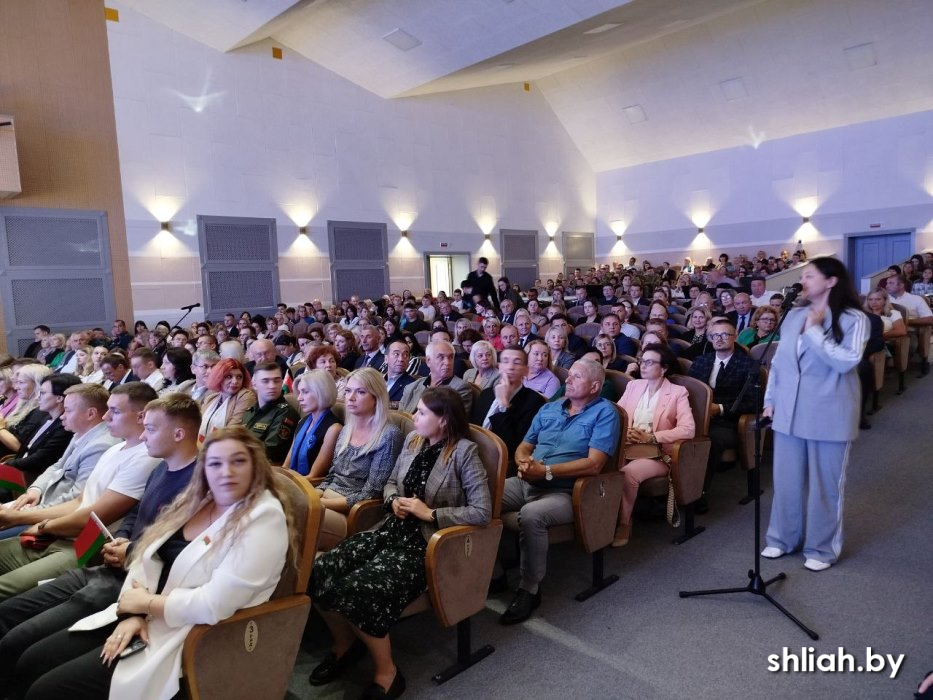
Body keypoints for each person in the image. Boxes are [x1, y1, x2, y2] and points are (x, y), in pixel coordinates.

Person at [12, 426, 292, 700]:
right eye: (215, 463)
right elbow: (147, 556)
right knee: (31, 659)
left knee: (47, 689)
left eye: (238, 461)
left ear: (256, 466)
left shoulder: (264, 518)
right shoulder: (201, 499)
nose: (226, 472)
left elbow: (213, 604)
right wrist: (131, 614)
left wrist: (144, 605)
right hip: (140, 612)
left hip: (186, 635)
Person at [0, 394, 202, 697]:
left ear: (177, 434)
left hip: (132, 584)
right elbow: (136, 513)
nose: (143, 435)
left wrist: (131, 550)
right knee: (9, 623)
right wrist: (125, 540)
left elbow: (179, 549)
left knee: (30, 658)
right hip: (109, 568)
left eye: (150, 429)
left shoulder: (197, 481)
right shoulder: (160, 467)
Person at [309, 387, 491, 698]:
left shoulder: (463, 452)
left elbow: (483, 511)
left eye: (422, 412)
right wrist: (393, 499)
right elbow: (392, 481)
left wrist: (431, 513)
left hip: (427, 544)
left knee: (358, 590)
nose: (414, 416)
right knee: (319, 569)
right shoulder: (413, 441)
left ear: (444, 421)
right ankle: (346, 645)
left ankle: (388, 673)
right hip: (391, 529)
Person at [0, 383, 160, 600]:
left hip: (86, 547)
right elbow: (79, 501)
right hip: (64, 534)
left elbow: (95, 516)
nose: (105, 418)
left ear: (141, 416)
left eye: (115, 411)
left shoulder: (145, 457)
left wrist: (41, 524)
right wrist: (24, 518)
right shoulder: (115, 449)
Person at [761, 258, 869, 571]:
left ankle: (822, 549)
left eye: (810, 276)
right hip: (789, 412)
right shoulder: (794, 315)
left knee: (825, 485)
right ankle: (782, 539)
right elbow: (779, 364)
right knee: (786, 481)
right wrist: (771, 399)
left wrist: (815, 332)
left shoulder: (853, 318)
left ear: (831, 281)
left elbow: (847, 361)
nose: (803, 281)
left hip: (830, 413)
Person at [498, 359, 620, 624]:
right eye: (569, 375)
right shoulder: (550, 408)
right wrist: (522, 461)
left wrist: (546, 472)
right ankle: (494, 571)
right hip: (527, 481)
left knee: (531, 515)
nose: (568, 379)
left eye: (577, 377)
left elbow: (595, 463)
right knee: (484, 496)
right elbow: (525, 445)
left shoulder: (605, 413)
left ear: (595, 386)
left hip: (568, 492)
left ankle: (529, 589)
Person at [0, 384, 119, 544]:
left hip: (55, 516)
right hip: (42, 500)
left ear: (90, 414)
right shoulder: (80, 432)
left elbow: (77, 498)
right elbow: (57, 466)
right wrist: (35, 490)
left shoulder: (101, 445)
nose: (62, 416)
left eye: (68, 410)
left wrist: (27, 513)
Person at [612, 344, 694, 546]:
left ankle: (623, 523)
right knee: (599, 463)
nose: (643, 365)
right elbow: (618, 415)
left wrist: (652, 437)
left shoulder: (677, 392)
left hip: (657, 454)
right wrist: (626, 431)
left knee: (628, 473)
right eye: (641, 361)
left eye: (649, 362)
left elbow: (688, 430)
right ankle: (600, 521)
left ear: (664, 368)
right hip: (628, 446)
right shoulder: (634, 386)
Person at [316, 368, 402, 550]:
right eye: (348, 391)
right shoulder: (347, 428)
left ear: (376, 397)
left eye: (360, 392)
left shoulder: (389, 435)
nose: (351, 397)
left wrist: (320, 503)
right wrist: (314, 494)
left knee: (296, 515)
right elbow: (332, 475)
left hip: (353, 512)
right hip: (327, 498)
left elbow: (371, 494)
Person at [688, 318, 759, 512]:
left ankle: (697, 494)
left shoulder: (748, 365)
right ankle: (676, 491)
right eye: (715, 335)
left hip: (727, 421)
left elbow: (753, 402)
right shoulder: (701, 361)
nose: (719, 339)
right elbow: (689, 392)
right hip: (698, 416)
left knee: (708, 441)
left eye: (724, 335)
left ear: (735, 337)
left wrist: (719, 408)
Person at [471, 346, 545, 466]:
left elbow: (513, 447)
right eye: (505, 361)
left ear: (526, 370)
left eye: (517, 362)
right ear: (499, 367)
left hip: (499, 461)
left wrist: (503, 404)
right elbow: (472, 428)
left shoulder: (534, 402)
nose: (510, 367)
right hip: (472, 453)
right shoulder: (486, 393)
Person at [0, 371, 74, 484]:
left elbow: (39, 459)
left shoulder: (65, 427)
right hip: (18, 468)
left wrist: (5, 466)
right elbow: (25, 448)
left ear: (59, 398)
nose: (38, 397)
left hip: (31, 478)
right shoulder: (44, 416)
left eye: (43, 393)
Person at [283, 370, 342, 481]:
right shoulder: (302, 422)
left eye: (305, 392)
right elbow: (286, 466)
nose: (299, 398)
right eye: (299, 392)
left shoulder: (334, 428)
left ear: (322, 392)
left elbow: (314, 476)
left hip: (311, 488)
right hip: (293, 482)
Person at [241, 362, 299, 464]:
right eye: (265, 381)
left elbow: (270, 452)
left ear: (282, 382)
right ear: (254, 384)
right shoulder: (249, 411)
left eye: (276, 381)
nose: (272, 386)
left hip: (266, 470)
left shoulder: (286, 413)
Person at [399, 341, 473, 414]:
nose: (447, 362)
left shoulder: (460, 388)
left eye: (451, 357)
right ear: (428, 361)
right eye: (441, 357)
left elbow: (452, 422)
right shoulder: (412, 387)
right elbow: (400, 418)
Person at [197, 358, 256, 443]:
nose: (235, 381)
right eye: (229, 376)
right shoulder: (211, 397)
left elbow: (233, 430)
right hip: (202, 448)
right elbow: (197, 425)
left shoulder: (246, 396)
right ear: (219, 378)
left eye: (239, 377)